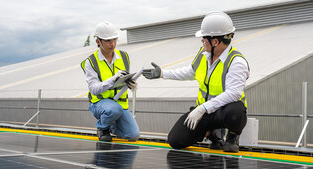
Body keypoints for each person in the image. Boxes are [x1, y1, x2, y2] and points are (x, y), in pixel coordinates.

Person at [142, 12, 249, 153]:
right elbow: (190, 72)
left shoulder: (236, 62)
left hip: (222, 112)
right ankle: (210, 133)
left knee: (236, 112)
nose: (202, 41)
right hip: (205, 112)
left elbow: (233, 94)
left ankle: (232, 137)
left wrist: (202, 108)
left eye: (204, 38)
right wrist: (163, 73)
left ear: (215, 42)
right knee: (175, 140)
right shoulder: (203, 55)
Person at [81, 21, 140, 142]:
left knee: (134, 135)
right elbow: (94, 89)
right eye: (108, 41)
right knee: (113, 110)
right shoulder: (91, 62)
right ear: (98, 41)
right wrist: (112, 79)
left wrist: (132, 84)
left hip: (119, 104)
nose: (112, 44)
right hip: (100, 103)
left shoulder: (124, 56)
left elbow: (124, 79)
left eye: (114, 40)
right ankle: (102, 128)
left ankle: (111, 124)